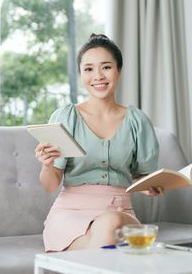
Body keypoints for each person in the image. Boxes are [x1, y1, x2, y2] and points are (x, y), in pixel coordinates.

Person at [36, 33, 163, 252]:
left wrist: (149, 186)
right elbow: (50, 185)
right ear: (81, 74)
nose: (98, 76)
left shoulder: (137, 121)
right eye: (88, 69)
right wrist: (47, 165)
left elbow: (142, 177)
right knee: (107, 238)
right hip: (70, 216)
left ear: (119, 71)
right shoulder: (66, 117)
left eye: (106, 67)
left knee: (110, 222)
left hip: (121, 214)